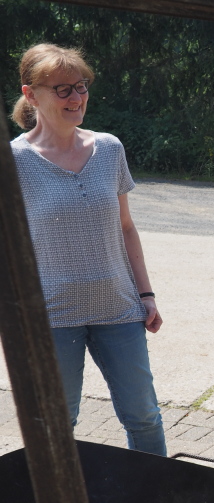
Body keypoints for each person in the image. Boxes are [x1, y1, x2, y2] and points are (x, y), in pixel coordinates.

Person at [10, 43, 166, 455]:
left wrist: (146, 294)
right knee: (58, 425)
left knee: (144, 417)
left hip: (119, 309)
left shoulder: (110, 148)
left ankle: (158, 494)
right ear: (31, 95)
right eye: (62, 89)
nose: (76, 97)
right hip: (51, 317)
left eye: (80, 86)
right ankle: (58, 499)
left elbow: (126, 227)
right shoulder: (13, 162)